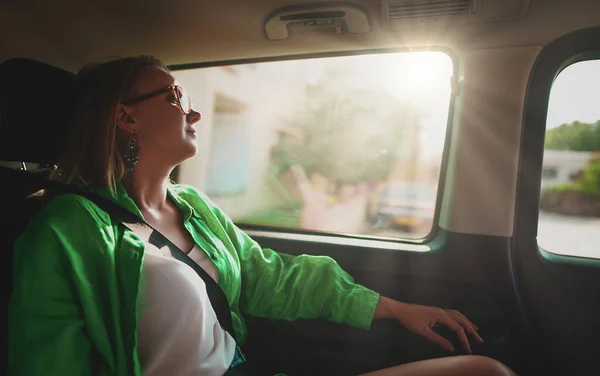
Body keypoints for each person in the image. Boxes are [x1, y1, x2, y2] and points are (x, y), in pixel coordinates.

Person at [8, 56, 516, 376]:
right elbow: (47, 361)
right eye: (176, 96)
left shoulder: (196, 209)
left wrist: (394, 307)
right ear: (126, 116)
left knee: (485, 369)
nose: (194, 111)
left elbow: (269, 276)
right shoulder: (66, 230)